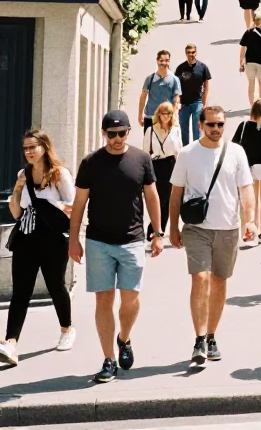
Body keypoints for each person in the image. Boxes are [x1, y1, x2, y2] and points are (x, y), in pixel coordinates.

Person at [69, 110, 162, 384]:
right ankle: (108, 359)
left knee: (131, 300)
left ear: (129, 132)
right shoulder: (91, 163)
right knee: (103, 301)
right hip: (99, 241)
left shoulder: (141, 159)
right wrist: (73, 239)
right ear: (104, 133)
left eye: (122, 133)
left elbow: (153, 196)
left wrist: (157, 233)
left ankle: (125, 338)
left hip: (133, 240)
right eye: (112, 134)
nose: (117, 139)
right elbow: (79, 204)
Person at [168, 104, 256, 366]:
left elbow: (247, 190)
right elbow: (176, 194)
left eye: (220, 124)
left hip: (228, 229)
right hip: (197, 229)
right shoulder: (187, 154)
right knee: (201, 279)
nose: (216, 129)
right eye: (211, 125)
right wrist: (172, 228)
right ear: (200, 125)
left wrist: (249, 221)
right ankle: (198, 340)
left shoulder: (236, 153)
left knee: (219, 282)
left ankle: (211, 335)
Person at [0, 130, 75, 367]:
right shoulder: (24, 174)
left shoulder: (60, 174)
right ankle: (11, 343)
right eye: (25, 148)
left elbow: (74, 208)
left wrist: (49, 205)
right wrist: (18, 188)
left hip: (53, 240)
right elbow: (16, 213)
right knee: (21, 292)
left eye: (33, 147)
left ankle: (67, 328)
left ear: (44, 146)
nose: (29, 152)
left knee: (56, 286)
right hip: (26, 238)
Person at [232, 100, 261, 242]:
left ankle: (250, 230)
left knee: (251, 201)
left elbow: (234, 146)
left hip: (247, 167)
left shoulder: (243, 125)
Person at [143, 102, 182, 242]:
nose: (166, 117)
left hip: (171, 164)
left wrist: (182, 169)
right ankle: (155, 227)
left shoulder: (176, 130)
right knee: (156, 198)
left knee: (166, 200)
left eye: (169, 114)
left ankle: (158, 229)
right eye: (164, 113)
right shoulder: (151, 130)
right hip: (155, 165)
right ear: (159, 114)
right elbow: (145, 152)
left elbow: (179, 150)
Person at [175, 43, 212, 145]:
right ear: (185, 53)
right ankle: (186, 151)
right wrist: (176, 103)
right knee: (184, 131)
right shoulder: (180, 68)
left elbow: (206, 86)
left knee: (197, 130)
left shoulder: (203, 67)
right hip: (184, 104)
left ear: (196, 52)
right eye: (188, 52)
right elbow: (176, 87)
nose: (191, 54)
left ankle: (197, 150)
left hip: (197, 102)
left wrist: (204, 104)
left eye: (193, 52)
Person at [138, 51, 181, 132]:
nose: (164, 63)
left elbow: (176, 100)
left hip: (166, 118)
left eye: (167, 60)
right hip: (150, 117)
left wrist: (174, 115)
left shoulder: (174, 79)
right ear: (157, 61)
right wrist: (140, 115)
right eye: (161, 60)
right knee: (149, 143)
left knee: (166, 143)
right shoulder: (150, 78)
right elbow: (143, 96)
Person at [239, 11, 261, 104]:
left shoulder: (248, 32)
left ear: (254, 21)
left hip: (250, 61)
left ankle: (252, 105)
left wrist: (241, 62)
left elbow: (243, 48)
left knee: (251, 84)